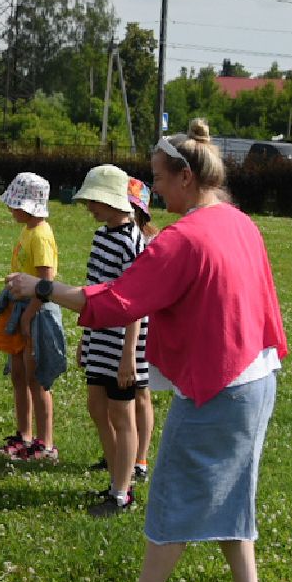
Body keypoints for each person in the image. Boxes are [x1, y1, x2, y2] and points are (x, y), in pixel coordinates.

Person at [6, 119, 287, 582]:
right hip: (257, 375)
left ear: (186, 177)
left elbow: (118, 302)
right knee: (230, 487)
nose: (153, 189)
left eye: (158, 177)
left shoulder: (183, 238)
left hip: (221, 384)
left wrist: (43, 289)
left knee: (175, 489)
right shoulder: (238, 220)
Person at [70, 165, 149, 518]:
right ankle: (118, 476)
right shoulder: (102, 235)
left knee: (121, 413)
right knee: (96, 406)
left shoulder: (133, 242)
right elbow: (94, 292)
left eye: (93, 200)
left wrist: (128, 356)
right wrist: (85, 339)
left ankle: (121, 492)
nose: (89, 207)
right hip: (99, 336)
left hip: (124, 341)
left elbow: (136, 302)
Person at [0, 172, 61, 462]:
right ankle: (24, 436)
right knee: (19, 376)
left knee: (36, 379)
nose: (10, 208)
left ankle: (45, 444)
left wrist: (28, 317)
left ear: (28, 206)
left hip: (36, 314)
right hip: (20, 311)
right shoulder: (28, 230)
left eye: (14, 204)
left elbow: (46, 283)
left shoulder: (41, 235)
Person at [128, 178, 160, 479]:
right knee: (116, 393)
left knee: (140, 390)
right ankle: (120, 451)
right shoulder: (114, 236)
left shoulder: (150, 242)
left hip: (143, 325)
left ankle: (140, 458)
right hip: (116, 322)